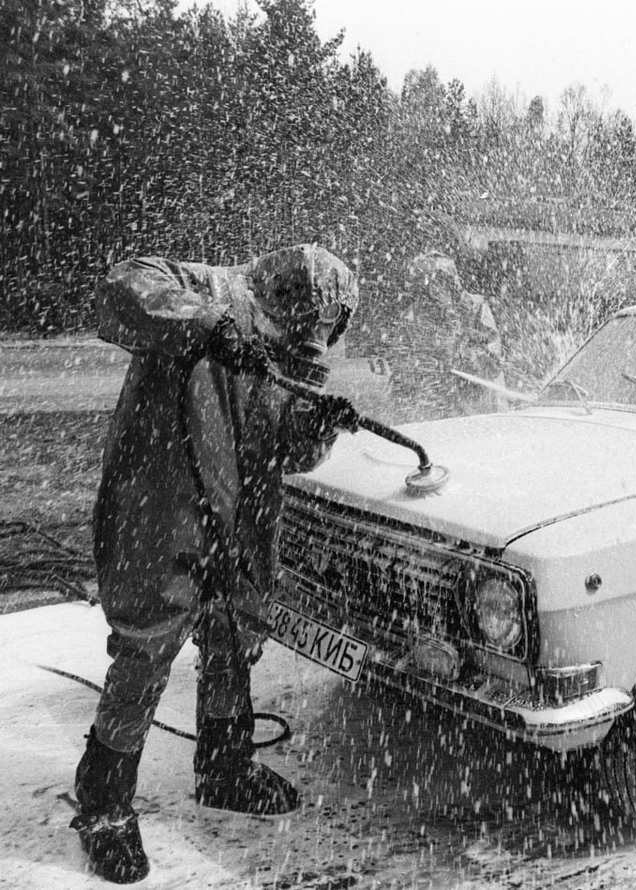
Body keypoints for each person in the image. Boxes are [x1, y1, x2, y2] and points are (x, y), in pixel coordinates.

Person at [70, 244, 359, 884]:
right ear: (284, 299)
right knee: (146, 650)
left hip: (240, 516)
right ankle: (105, 805)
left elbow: (285, 451)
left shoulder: (292, 351)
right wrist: (206, 329)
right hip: (162, 501)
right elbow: (120, 287)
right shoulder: (204, 291)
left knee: (233, 636)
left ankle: (223, 769)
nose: (302, 345)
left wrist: (318, 424)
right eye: (300, 329)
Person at [381, 250, 504, 421]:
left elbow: (494, 364)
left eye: (439, 282)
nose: (434, 291)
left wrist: (464, 357)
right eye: (426, 285)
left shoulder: (476, 309)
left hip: (474, 412)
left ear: (452, 282)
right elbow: (399, 367)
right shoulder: (411, 318)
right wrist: (420, 368)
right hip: (430, 413)